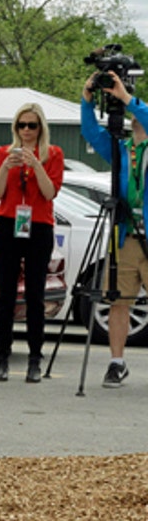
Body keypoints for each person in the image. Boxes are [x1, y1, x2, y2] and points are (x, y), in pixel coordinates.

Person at [80, 70, 148, 388]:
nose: (135, 119)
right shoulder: (123, 152)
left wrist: (127, 99)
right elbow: (92, 134)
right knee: (119, 301)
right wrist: (87, 100)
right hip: (127, 236)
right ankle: (116, 363)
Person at [0, 104, 63, 383]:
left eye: (32, 125)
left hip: (39, 225)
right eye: (22, 125)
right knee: (6, 294)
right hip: (9, 224)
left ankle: (34, 359)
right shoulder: (3, 154)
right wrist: (7, 168)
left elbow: (49, 192)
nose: (27, 131)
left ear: (40, 128)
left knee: (35, 296)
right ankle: (2, 358)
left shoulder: (53, 154)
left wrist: (36, 165)